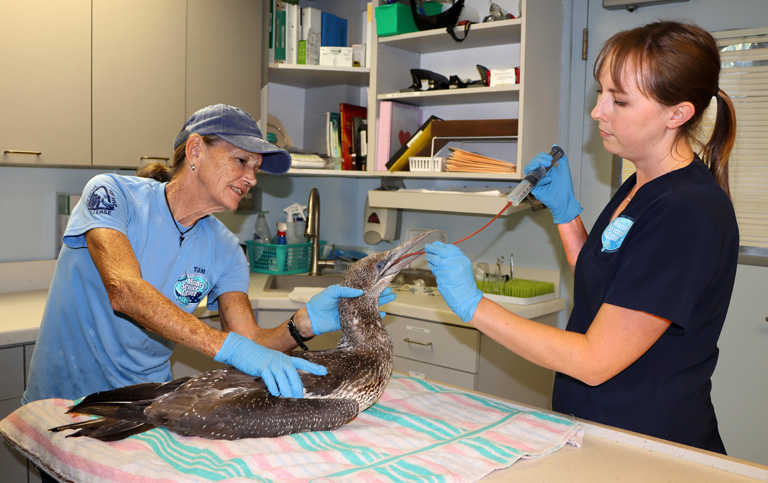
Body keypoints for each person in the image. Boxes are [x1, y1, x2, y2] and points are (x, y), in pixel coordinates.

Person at [424, 21, 738, 453]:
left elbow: (594, 360)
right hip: (595, 427)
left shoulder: (686, 211)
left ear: (678, 114)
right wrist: (567, 216)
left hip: (648, 446)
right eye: (600, 93)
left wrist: (474, 306)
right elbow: (607, 280)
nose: (598, 112)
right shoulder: (640, 184)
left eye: (620, 100)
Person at [23, 104, 395, 407]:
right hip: (63, 403)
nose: (251, 178)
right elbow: (125, 291)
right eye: (241, 161)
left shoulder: (226, 249)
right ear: (196, 150)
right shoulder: (113, 195)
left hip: (142, 407)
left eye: (256, 168)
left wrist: (303, 324)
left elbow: (248, 340)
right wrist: (228, 348)